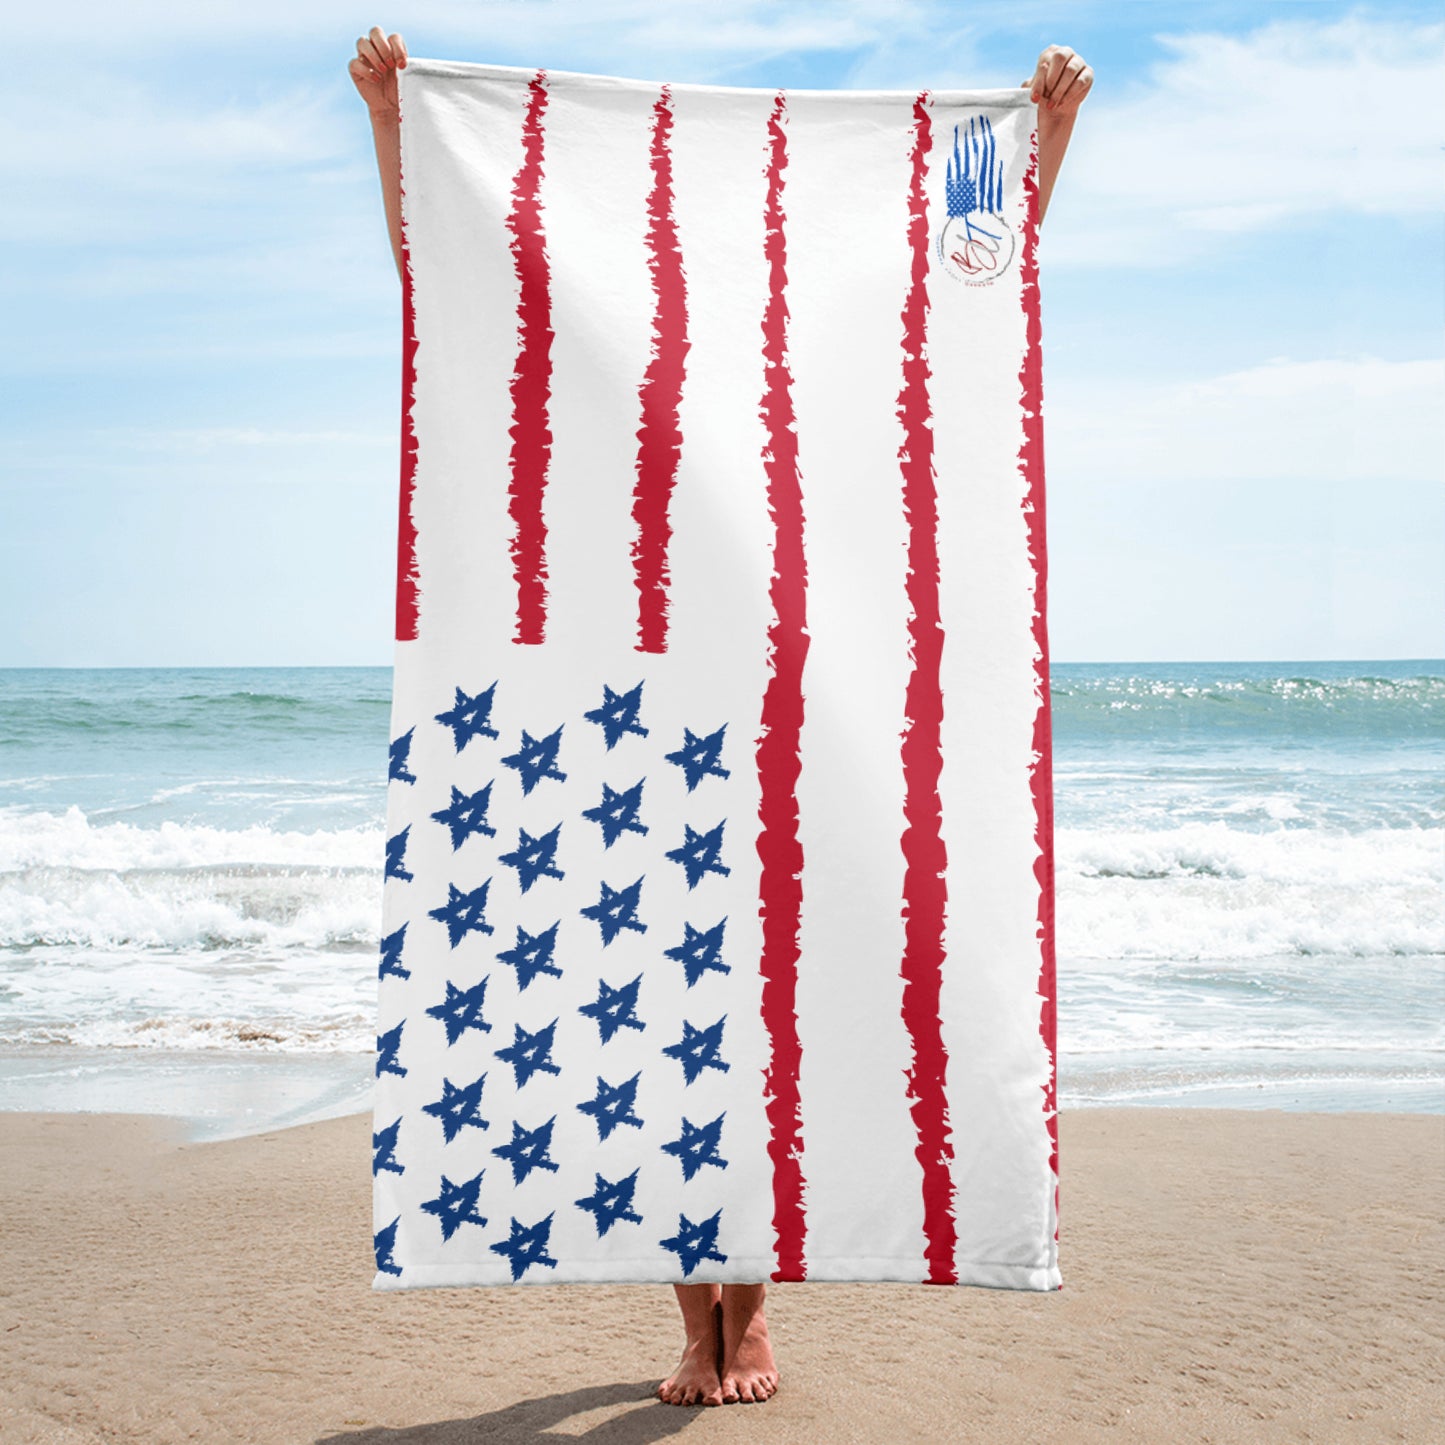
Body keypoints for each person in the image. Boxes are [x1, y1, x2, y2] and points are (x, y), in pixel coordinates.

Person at [350, 26, 1091, 1409]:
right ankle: (700, 1323)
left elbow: (963, 294)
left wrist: (1035, 144)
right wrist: (400, 123)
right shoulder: (609, 361)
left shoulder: (819, 363)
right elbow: (452, 278)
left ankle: (746, 1317)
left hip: (809, 714)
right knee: (663, 1028)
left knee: (781, 1030)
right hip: (644, 712)